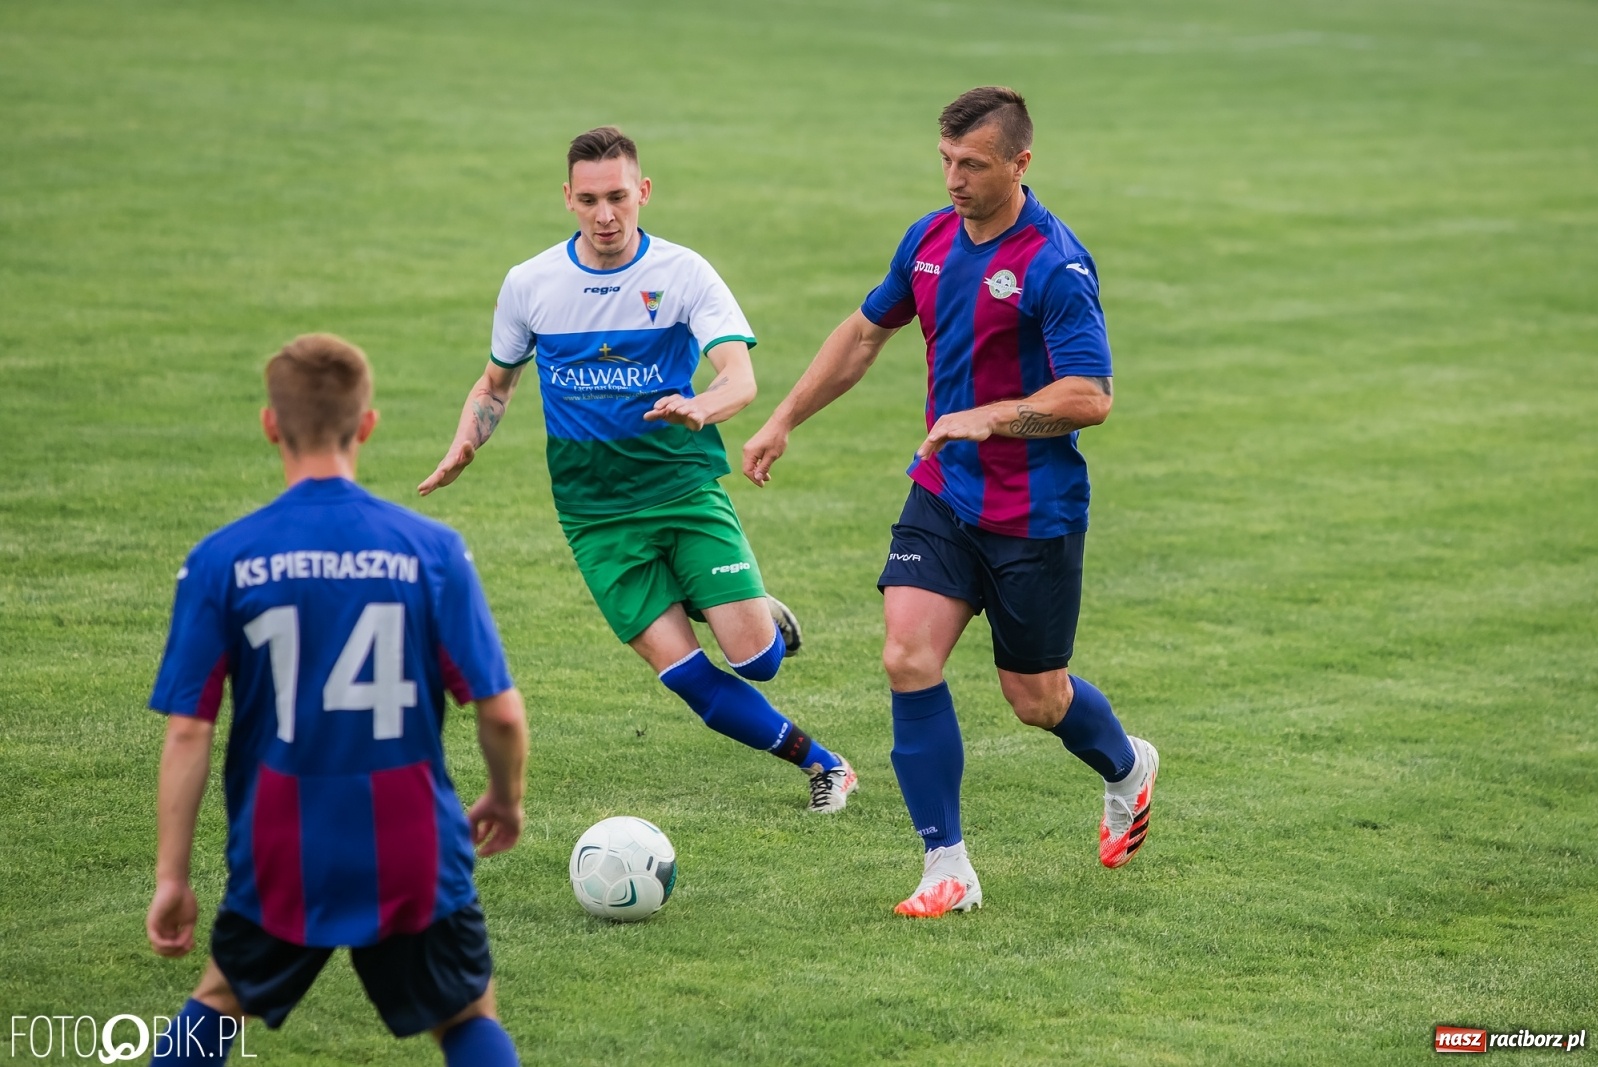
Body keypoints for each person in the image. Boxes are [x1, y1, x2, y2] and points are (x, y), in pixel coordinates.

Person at [743, 87, 1159, 918]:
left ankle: (1128, 767)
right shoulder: (929, 239)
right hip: (942, 492)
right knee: (906, 657)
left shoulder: (1054, 263)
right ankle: (947, 866)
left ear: (1020, 164)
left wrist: (991, 418)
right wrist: (784, 416)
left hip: (1033, 515)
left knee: (1036, 699)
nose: (954, 179)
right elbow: (865, 334)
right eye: (945, 160)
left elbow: (1093, 395)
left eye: (972, 164)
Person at [418, 126, 856, 813]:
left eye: (618, 196)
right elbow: (495, 384)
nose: (605, 215)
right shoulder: (530, 284)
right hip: (593, 514)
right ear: (567, 198)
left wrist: (702, 407)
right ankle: (826, 764)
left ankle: (746, 609)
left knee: (757, 661)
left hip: (680, 488)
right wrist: (464, 442)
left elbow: (739, 378)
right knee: (685, 676)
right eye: (589, 199)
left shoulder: (683, 273)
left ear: (642, 192)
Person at [145, 335, 526, 1065]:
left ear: (269, 424)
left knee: (221, 1001)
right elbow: (500, 711)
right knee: (467, 1011)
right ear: (368, 424)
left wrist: (172, 877)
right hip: (414, 841)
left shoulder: (223, 557)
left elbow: (188, 733)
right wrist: (506, 798)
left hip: (282, 845)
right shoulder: (431, 549)